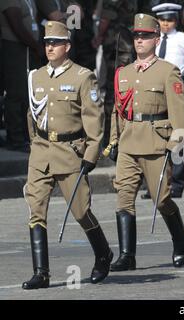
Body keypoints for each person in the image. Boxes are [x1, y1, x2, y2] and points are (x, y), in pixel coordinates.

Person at [23, 21, 112, 289]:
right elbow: (32, 116)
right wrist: (35, 146)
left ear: (67, 46)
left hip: (71, 152)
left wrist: (91, 154)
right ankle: (41, 272)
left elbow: (94, 118)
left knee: (81, 211)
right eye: (47, 42)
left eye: (55, 42)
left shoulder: (83, 77)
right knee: (35, 210)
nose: (49, 47)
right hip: (41, 152)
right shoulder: (35, 76)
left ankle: (103, 253)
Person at [106, 13, 184, 271]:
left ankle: (180, 240)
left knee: (162, 199)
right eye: (136, 36)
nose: (140, 40)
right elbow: (117, 110)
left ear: (156, 38)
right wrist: (113, 142)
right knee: (124, 198)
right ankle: (127, 256)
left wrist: (176, 143)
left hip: (156, 142)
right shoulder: (124, 73)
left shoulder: (167, 71)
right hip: (129, 142)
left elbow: (179, 111)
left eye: (145, 36)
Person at [140, 2, 184, 199]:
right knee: (154, 136)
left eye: (170, 20)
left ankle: (176, 183)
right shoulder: (153, 40)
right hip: (155, 91)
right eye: (162, 20)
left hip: (177, 91)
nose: (166, 24)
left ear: (176, 20)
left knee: (178, 135)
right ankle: (154, 182)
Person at [91, 0, 137, 147]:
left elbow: (106, 17)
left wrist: (98, 36)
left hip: (117, 44)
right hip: (130, 43)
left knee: (113, 90)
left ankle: (110, 138)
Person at [0, 0, 43, 152]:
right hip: (13, 45)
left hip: (25, 47)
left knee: (25, 92)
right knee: (16, 92)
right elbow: (15, 23)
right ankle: (15, 138)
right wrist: (34, 44)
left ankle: (25, 134)